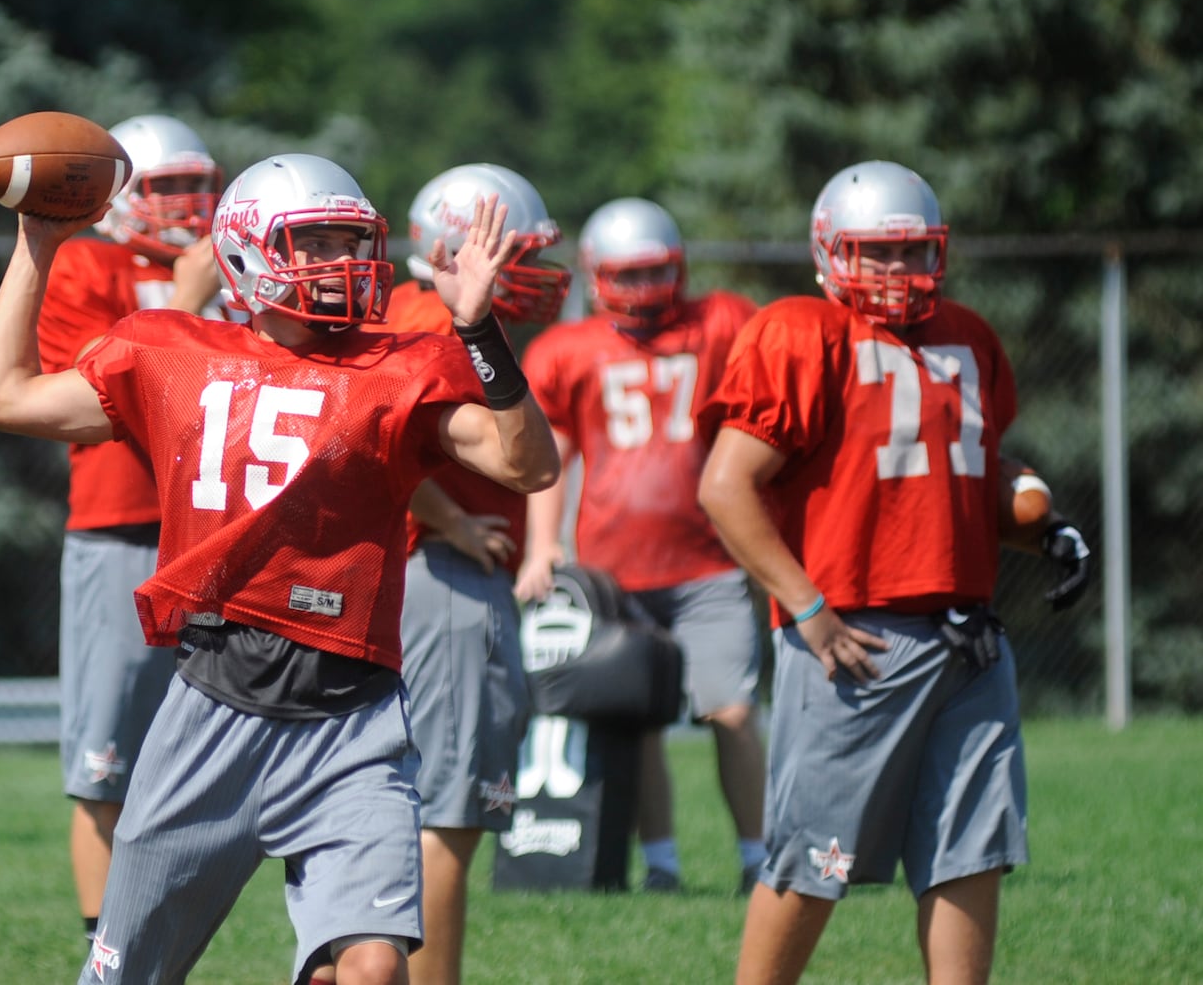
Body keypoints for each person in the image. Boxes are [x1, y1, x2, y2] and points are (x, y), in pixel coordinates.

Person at [0, 152, 560, 985]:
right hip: (216, 703)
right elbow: (1, 396)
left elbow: (527, 466)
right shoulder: (171, 349)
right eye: (313, 242)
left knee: (371, 970)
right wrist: (36, 242)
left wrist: (480, 332)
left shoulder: (401, 364)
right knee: (123, 974)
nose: (339, 263)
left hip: (352, 720)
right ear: (247, 251)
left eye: (348, 241)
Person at [696, 160, 1091, 984]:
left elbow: (960, 471)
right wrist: (806, 606)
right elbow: (726, 486)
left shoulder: (969, 336)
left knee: (970, 852)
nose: (898, 272)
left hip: (969, 639)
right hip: (855, 637)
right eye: (876, 253)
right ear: (830, 251)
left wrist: (1046, 530)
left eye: (913, 253)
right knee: (815, 862)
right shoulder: (801, 331)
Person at [513, 196, 767, 895]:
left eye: (656, 273)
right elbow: (547, 458)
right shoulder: (568, 349)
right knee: (642, 725)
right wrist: (540, 547)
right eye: (627, 275)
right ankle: (661, 866)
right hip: (611, 574)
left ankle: (758, 861)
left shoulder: (722, 322)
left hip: (709, 562)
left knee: (733, 710)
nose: (643, 291)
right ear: (595, 276)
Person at [37, 113, 226, 943]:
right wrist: (186, 305)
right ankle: (101, 949)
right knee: (105, 763)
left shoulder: (240, 266)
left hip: (216, 535)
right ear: (121, 195)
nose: (189, 202)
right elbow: (82, 408)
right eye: (167, 186)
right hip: (121, 528)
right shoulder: (88, 263)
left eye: (197, 183)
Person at [385, 162, 570, 985]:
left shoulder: (400, 312)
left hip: (409, 579)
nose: (533, 273)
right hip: (445, 582)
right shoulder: (438, 329)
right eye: (515, 253)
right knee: (448, 815)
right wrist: (452, 520)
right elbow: (379, 445)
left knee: (404, 812)